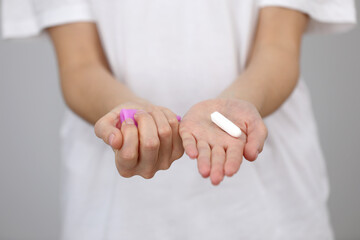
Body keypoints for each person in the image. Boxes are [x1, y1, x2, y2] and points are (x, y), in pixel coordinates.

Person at [2, 0, 357, 239]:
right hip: (116, 215)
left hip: (271, 212)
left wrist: (237, 103)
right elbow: (79, 66)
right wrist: (131, 115)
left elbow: (278, 48)